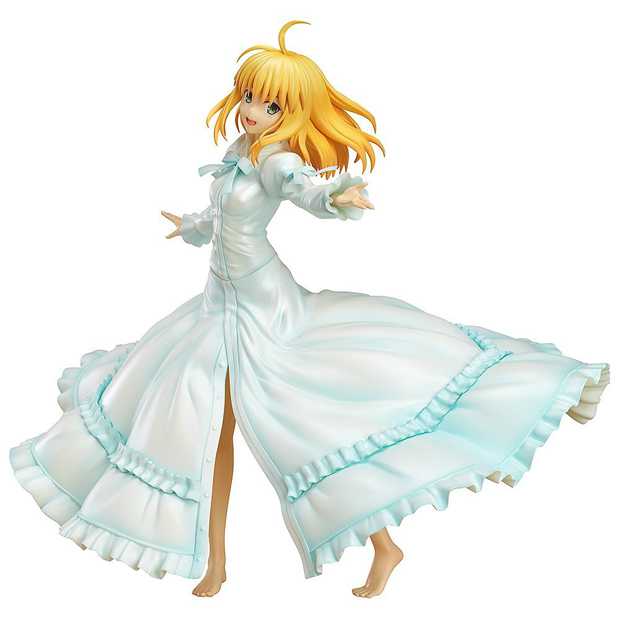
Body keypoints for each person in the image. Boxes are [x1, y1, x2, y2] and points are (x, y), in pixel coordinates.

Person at [9, 20, 610, 599]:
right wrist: (192, 226)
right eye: (249, 96)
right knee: (202, 431)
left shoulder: (277, 162)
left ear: (293, 111)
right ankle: (216, 561)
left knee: (308, 429)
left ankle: (380, 545)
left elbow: (307, 193)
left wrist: (335, 197)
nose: (252, 110)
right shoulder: (241, 149)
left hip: (264, 309)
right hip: (217, 306)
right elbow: (222, 216)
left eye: (270, 104)